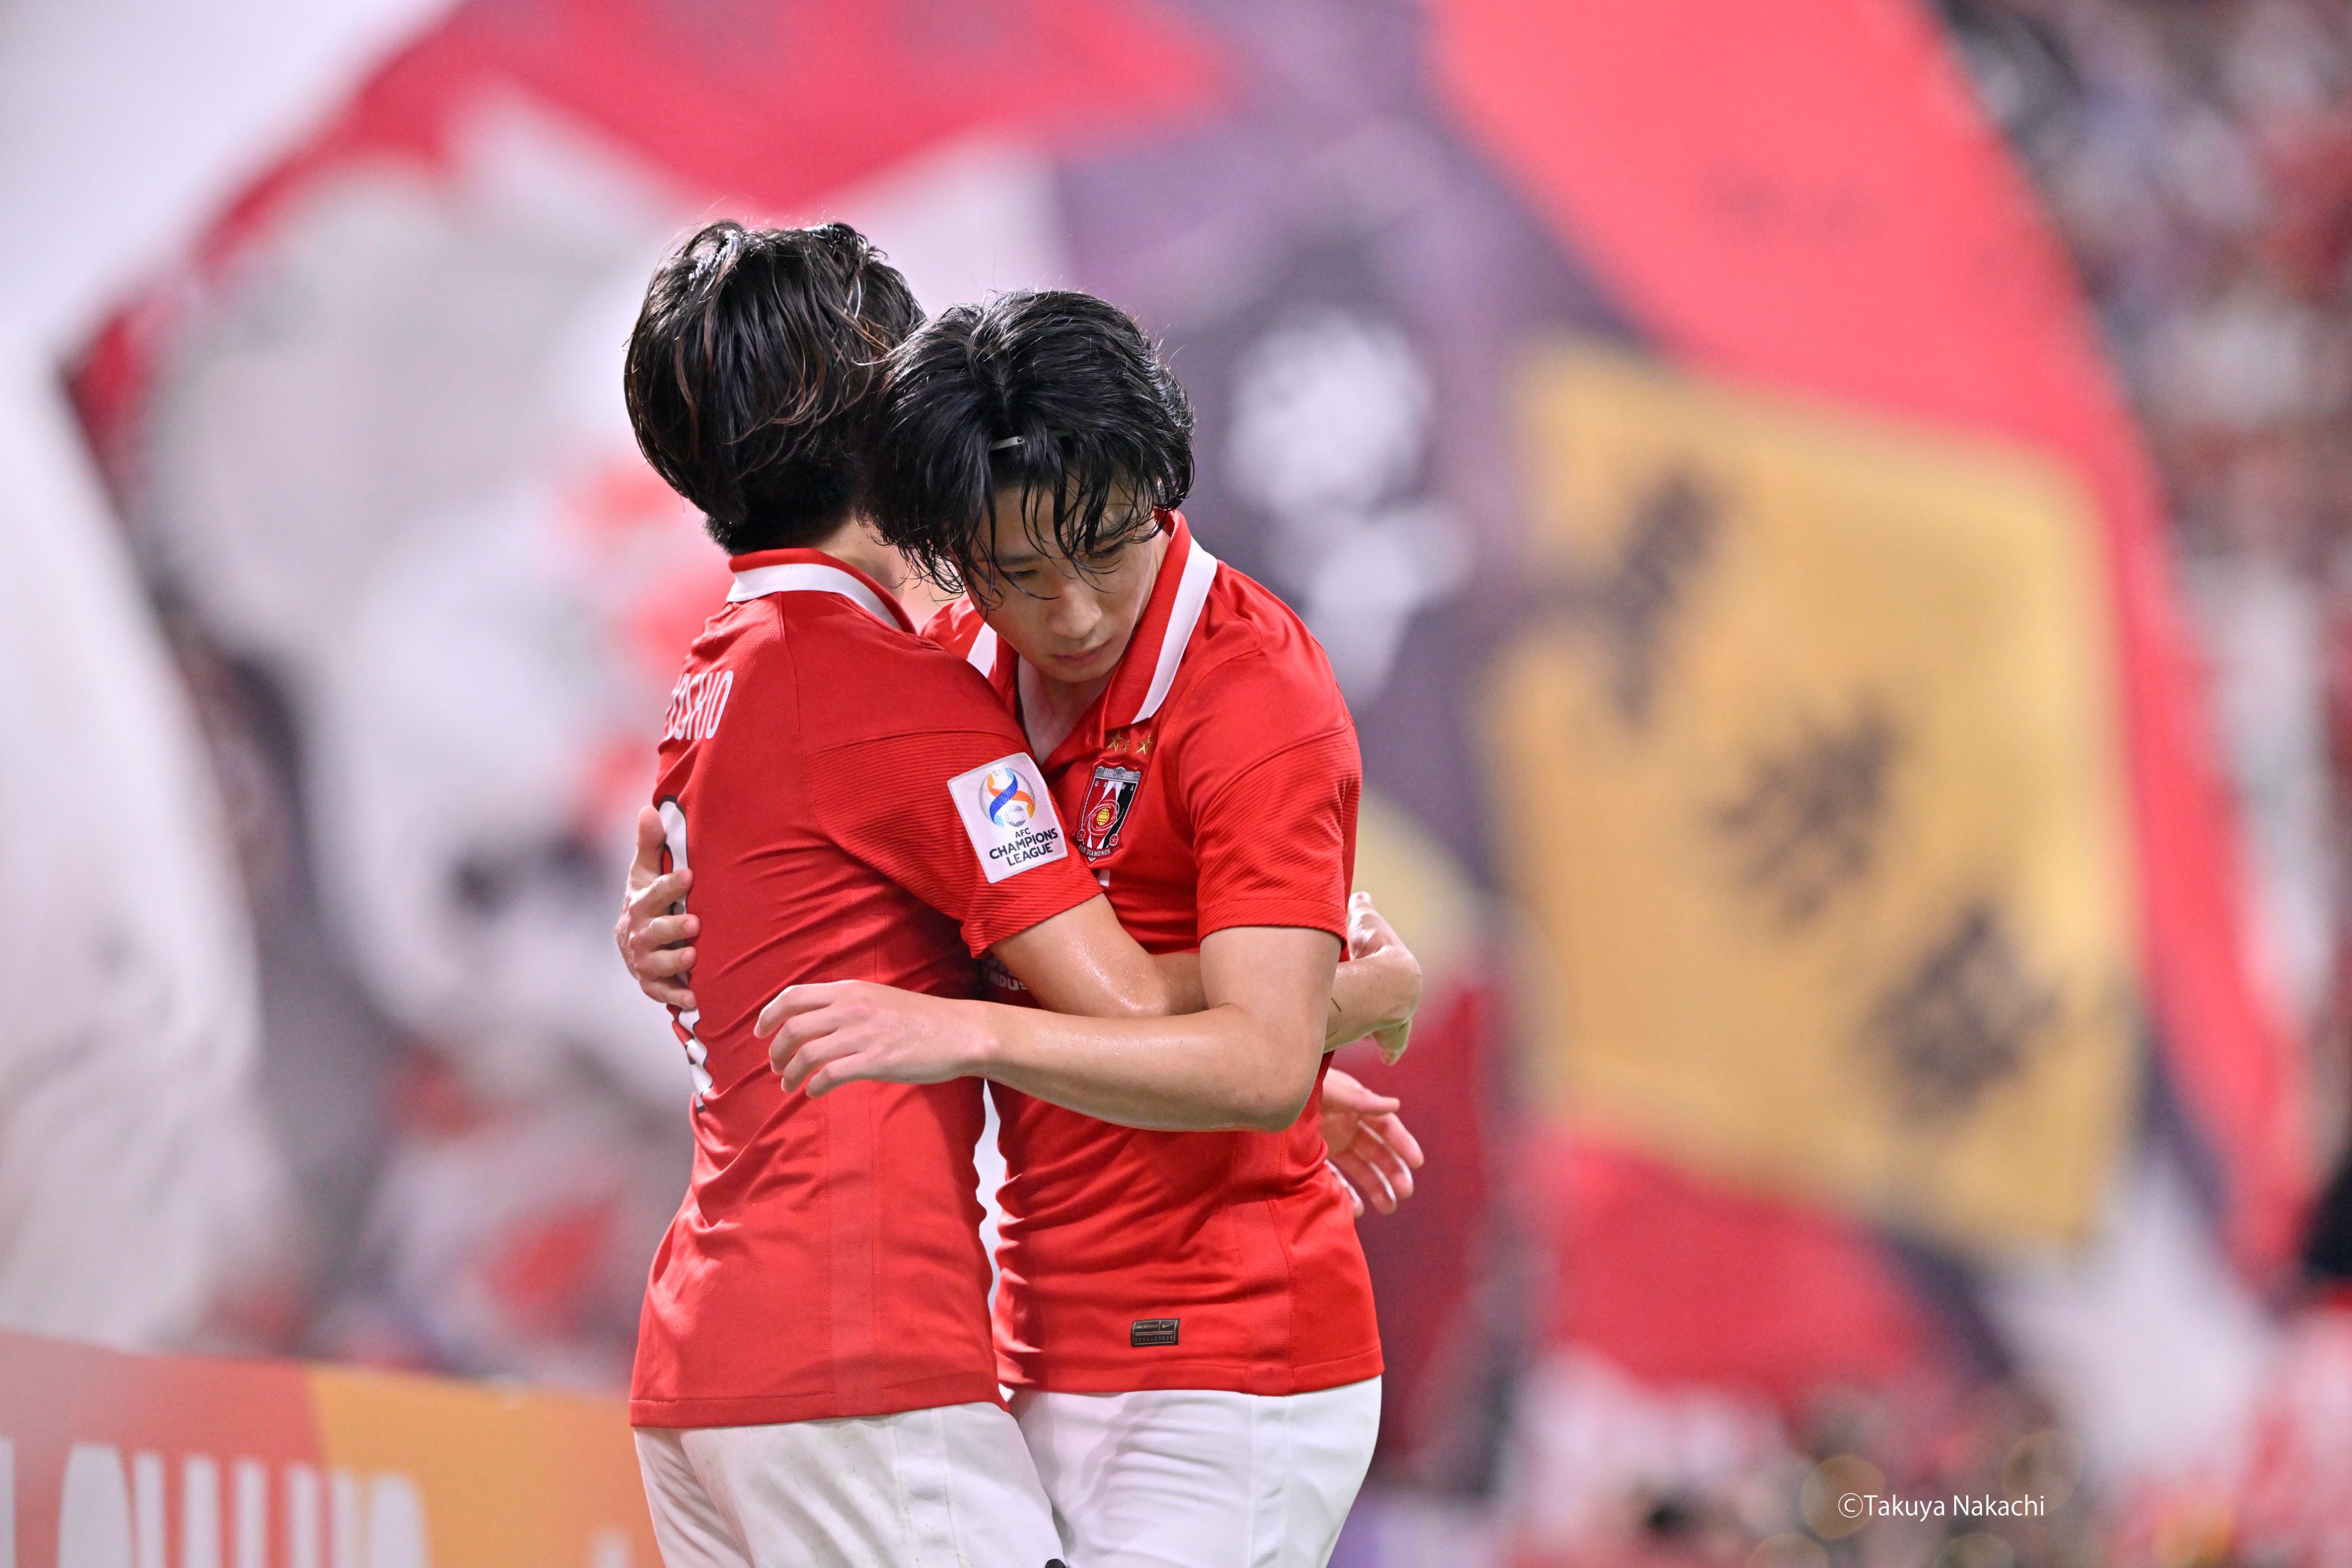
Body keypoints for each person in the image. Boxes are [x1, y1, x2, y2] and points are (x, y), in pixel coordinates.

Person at [614, 222, 1421, 1568]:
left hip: (1216, 1368)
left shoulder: (1247, 693)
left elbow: (1245, 1057)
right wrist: (1320, 988)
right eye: (1016, 571)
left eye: (1102, 551)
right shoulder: (936, 670)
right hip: (1000, 1353)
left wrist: (1277, 1014)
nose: (1072, 613)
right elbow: (1118, 996)